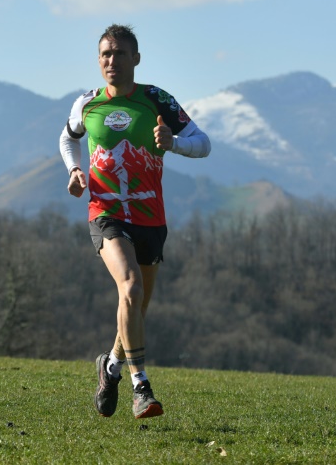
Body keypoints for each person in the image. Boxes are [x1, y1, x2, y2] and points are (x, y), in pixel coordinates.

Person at [59, 24, 211, 419]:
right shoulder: (87, 103)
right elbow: (68, 138)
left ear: (136, 59)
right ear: (98, 60)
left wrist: (174, 144)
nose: (112, 61)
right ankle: (141, 388)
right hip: (106, 213)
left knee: (136, 306)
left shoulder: (157, 100)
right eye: (105, 54)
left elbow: (204, 144)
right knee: (130, 286)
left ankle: (110, 367)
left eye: (120, 53)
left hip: (150, 216)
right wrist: (74, 170)